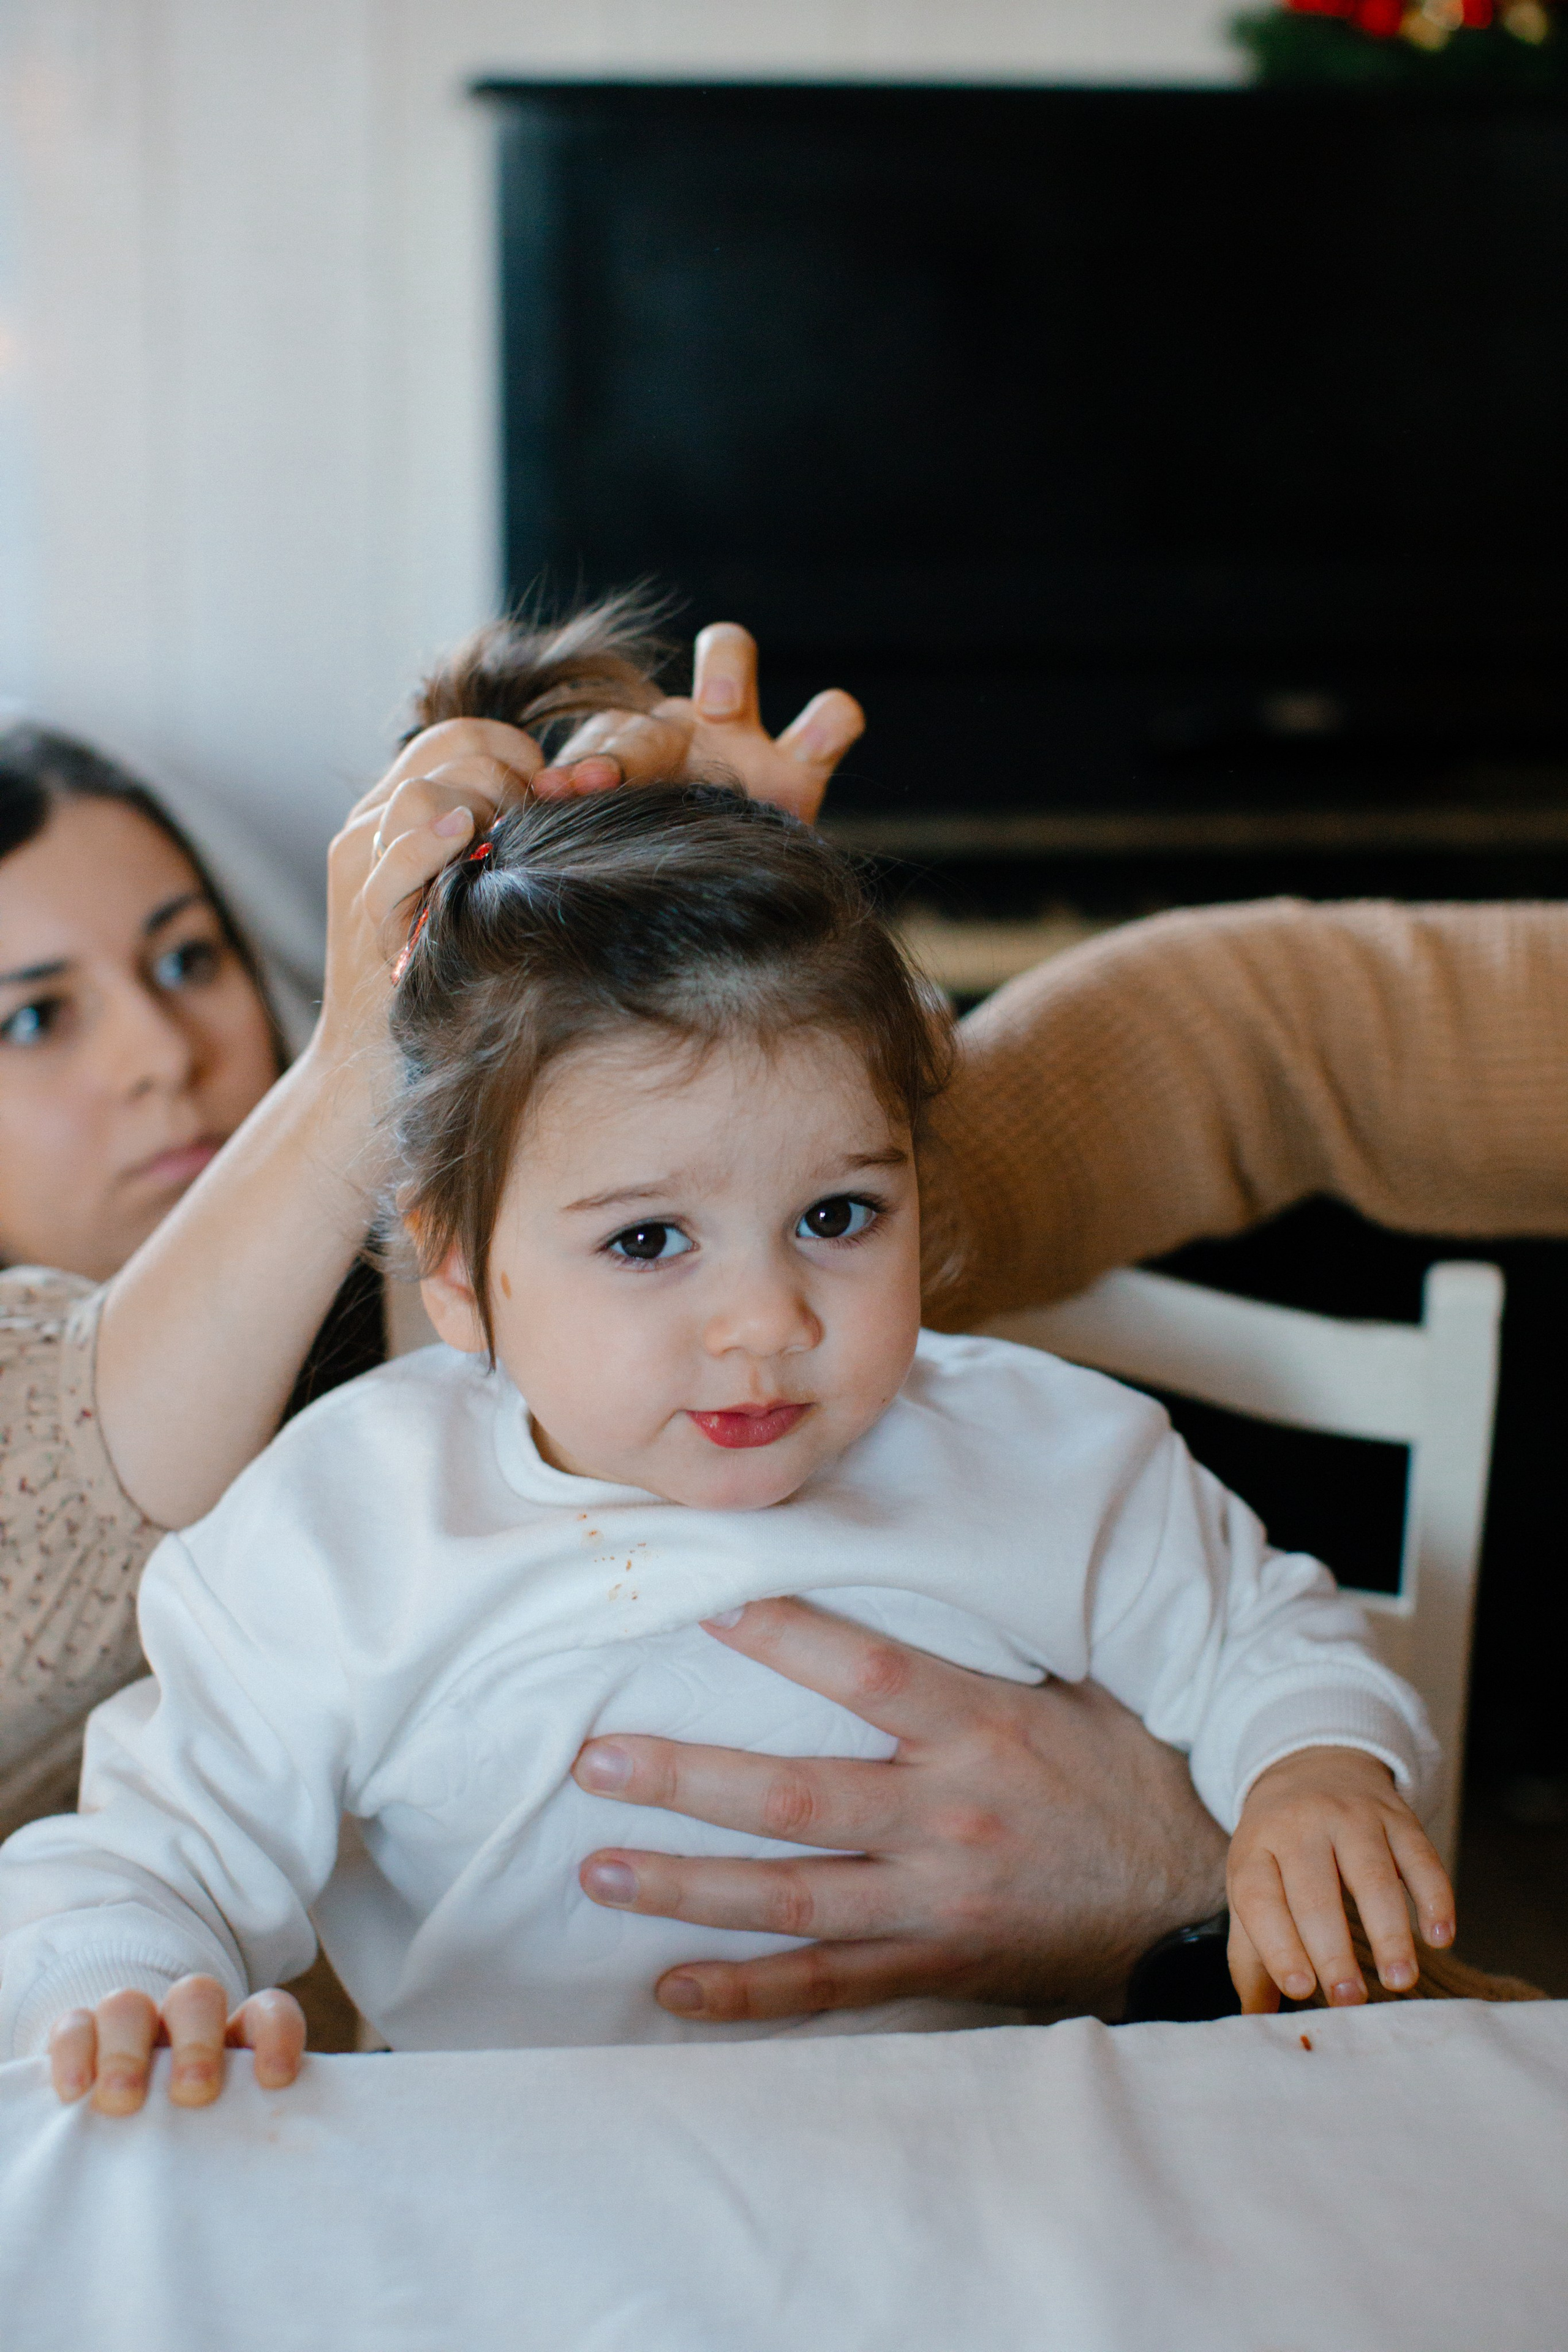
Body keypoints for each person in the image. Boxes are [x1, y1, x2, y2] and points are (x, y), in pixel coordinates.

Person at [0, 725, 1449, 2111]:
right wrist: (131, 1982)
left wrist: (1309, 1775)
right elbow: (154, 1851)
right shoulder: (349, 1520)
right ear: (454, 1268)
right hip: (548, 2205)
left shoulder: (1050, 1454)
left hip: (986, 2151)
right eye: (647, 1241)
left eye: (835, 1215)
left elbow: (1266, 1640)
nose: (767, 1320)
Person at [0, 620, 865, 1837]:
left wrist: (723, 1011)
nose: (161, 1055)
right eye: (34, 1022)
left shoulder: (457, 1266)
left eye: (189, 957)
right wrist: (360, 1054)